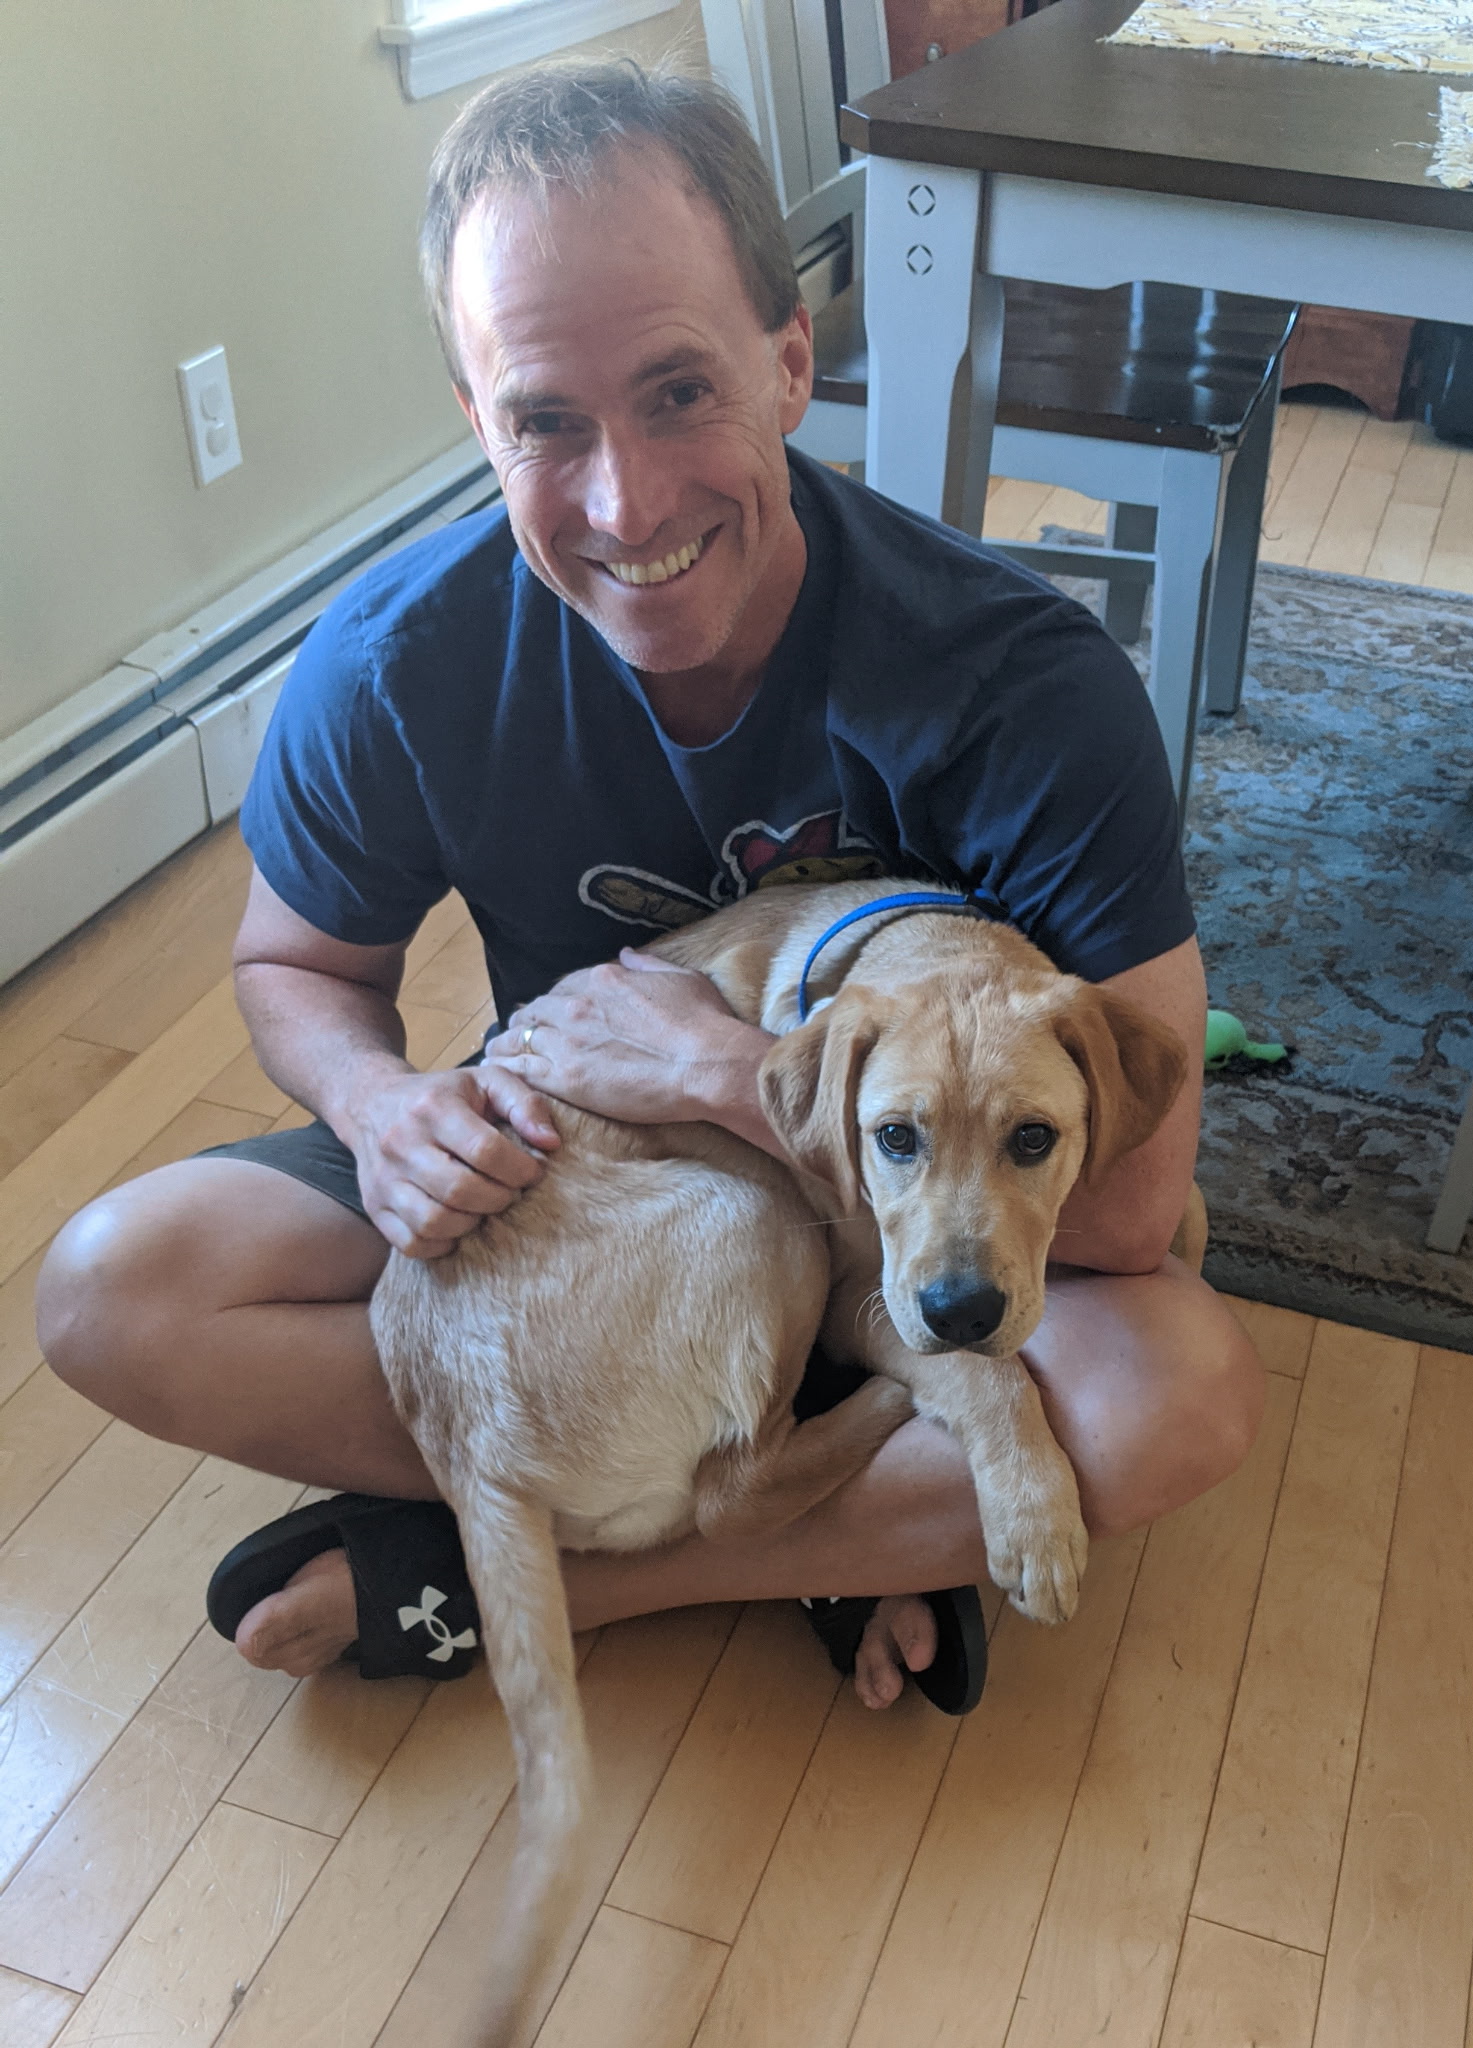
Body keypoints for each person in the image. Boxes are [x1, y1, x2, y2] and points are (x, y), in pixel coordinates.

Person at [35, 61, 1263, 1715]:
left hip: (890, 1205)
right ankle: (842, 1532)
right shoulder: (399, 665)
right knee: (115, 1286)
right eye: (546, 419)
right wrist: (383, 1103)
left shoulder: (1019, 685)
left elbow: (1115, 1207)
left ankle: (549, 1574)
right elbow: (293, 963)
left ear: (790, 366)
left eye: (679, 391)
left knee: (1175, 1394)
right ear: (478, 421)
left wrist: (716, 1073)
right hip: (597, 1184)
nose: (624, 502)